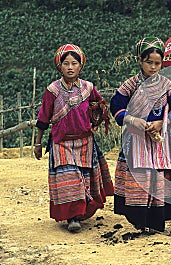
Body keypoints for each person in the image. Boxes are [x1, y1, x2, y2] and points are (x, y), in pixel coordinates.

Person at [110, 37, 171, 234]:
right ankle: (140, 220)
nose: (153, 67)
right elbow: (116, 106)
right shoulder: (131, 85)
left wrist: (163, 122)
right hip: (136, 139)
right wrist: (130, 119)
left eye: (157, 63)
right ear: (140, 60)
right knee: (140, 177)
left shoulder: (167, 85)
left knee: (159, 178)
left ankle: (157, 222)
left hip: (160, 140)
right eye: (149, 62)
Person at [34, 44, 114, 232]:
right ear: (59, 66)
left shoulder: (88, 88)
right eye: (66, 63)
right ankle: (72, 217)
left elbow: (101, 106)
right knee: (70, 178)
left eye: (74, 63)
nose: (70, 67)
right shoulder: (52, 90)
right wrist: (38, 143)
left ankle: (78, 214)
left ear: (80, 66)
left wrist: (96, 123)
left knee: (84, 180)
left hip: (85, 142)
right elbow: (43, 118)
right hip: (61, 143)